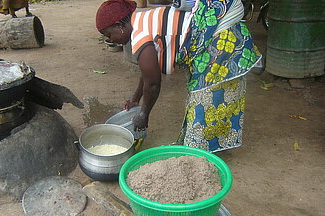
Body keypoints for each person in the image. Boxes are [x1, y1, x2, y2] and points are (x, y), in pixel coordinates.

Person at [95, 0, 262, 153]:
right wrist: (135, 98)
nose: (111, 40)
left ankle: (200, 154)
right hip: (213, 39)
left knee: (206, 98)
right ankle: (209, 146)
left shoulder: (140, 35)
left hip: (220, 43)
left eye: (109, 35)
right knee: (204, 98)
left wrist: (143, 115)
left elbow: (153, 83)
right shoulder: (140, 19)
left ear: (119, 26)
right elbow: (147, 73)